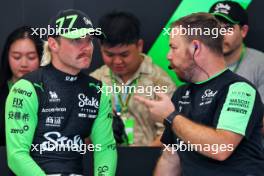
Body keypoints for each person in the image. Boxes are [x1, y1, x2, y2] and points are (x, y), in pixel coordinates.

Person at [135, 12, 264, 175]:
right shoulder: (181, 94)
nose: (168, 55)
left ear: (196, 47)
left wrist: (170, 116)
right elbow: (171, 158)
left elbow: (220, 149)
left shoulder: (239, 89)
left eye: (173, 47)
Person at [5, 9, 117, 176]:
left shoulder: (98, 91)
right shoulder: (26, 88)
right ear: (53, 44)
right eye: (77, 40)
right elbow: (17, 156)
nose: (86, 47)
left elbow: (105, 148)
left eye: (89, 40)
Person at [90, 11, 176, 146]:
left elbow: (171, 133)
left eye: (124, 54)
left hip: (148, 161)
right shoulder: (94, 82)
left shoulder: (160, 82)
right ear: (101, 48)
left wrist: (138, 158)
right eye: (109, 54)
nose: (117, 61)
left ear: (139, 46)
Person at [209, 0, 264, 141]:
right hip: (205, 147)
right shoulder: (197, 62)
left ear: (243, 31)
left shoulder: (260, 63)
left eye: (227, 28)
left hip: (248, 151)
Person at [0, 26, 42, 146]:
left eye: (31, 57)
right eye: (17, 57)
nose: (24, 64)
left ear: (41, 57)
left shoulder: (52, 92)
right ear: (7, 57)